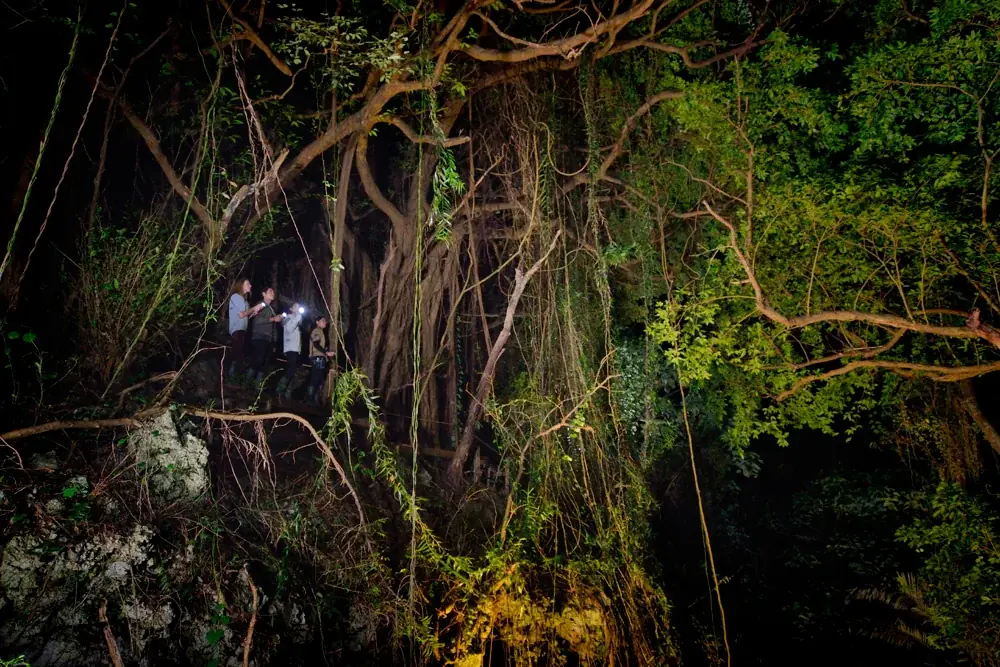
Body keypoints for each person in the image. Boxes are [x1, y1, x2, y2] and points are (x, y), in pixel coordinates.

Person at [226, 278, 262, 380]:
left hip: (242, 328)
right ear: (241, 285)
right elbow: (242, 314)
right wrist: (254, 308)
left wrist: (253, 313)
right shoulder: (236, 297)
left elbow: (245, 316)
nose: (250, 285)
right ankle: (230, 374)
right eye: (248, 284)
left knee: (239, 351)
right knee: (237, 351)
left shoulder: (244, 300)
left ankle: (233, 375)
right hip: (237, 329)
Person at [246, 287, 282, 387]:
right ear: (264, 294)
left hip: (268, 339)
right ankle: (246, 382)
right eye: (270, 291)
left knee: (265, 363)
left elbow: (274, 326)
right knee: (258, 359)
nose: (273, 293)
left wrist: (274, 341)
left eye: (273, 291)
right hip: (259, 336)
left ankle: (258, 386)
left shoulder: (272, 309)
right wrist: (272, 319)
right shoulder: (260, 305)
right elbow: (257, 321)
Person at [276, 301, 305, 399]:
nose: (298, 309)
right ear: (291, 309)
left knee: (294, 369)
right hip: (290, 347)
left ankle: (286, 391)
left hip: (296, 348)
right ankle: (280, 388)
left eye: (299, 307)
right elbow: (290, 329)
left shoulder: (297, 319)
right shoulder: (288, 318)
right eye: (295, 307)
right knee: (292, 368)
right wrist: (298, 317)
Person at [306, 316, 336, 405]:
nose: (325, 322)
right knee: (316, 378)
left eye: (325, 321)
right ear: (317, 322)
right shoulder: (317, 331)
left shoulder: (321, 332)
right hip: (317, 357)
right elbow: (315, 344)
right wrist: (326, 352)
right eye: (323, 321)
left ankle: (314, 399)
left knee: (318, 379)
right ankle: (309, 399)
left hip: (319, 357)